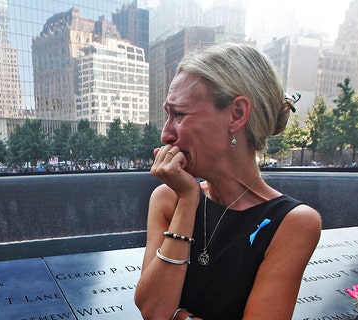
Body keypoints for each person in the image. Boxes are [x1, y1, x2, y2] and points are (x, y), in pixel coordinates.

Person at [134, 43, 322, 320]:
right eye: (167, 115)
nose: (166, 134)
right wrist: (188, 201)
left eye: (179, 115)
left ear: (236, 114)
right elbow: (152, 312)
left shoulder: (294, 223)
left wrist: (180, 317)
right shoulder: (169, 199)